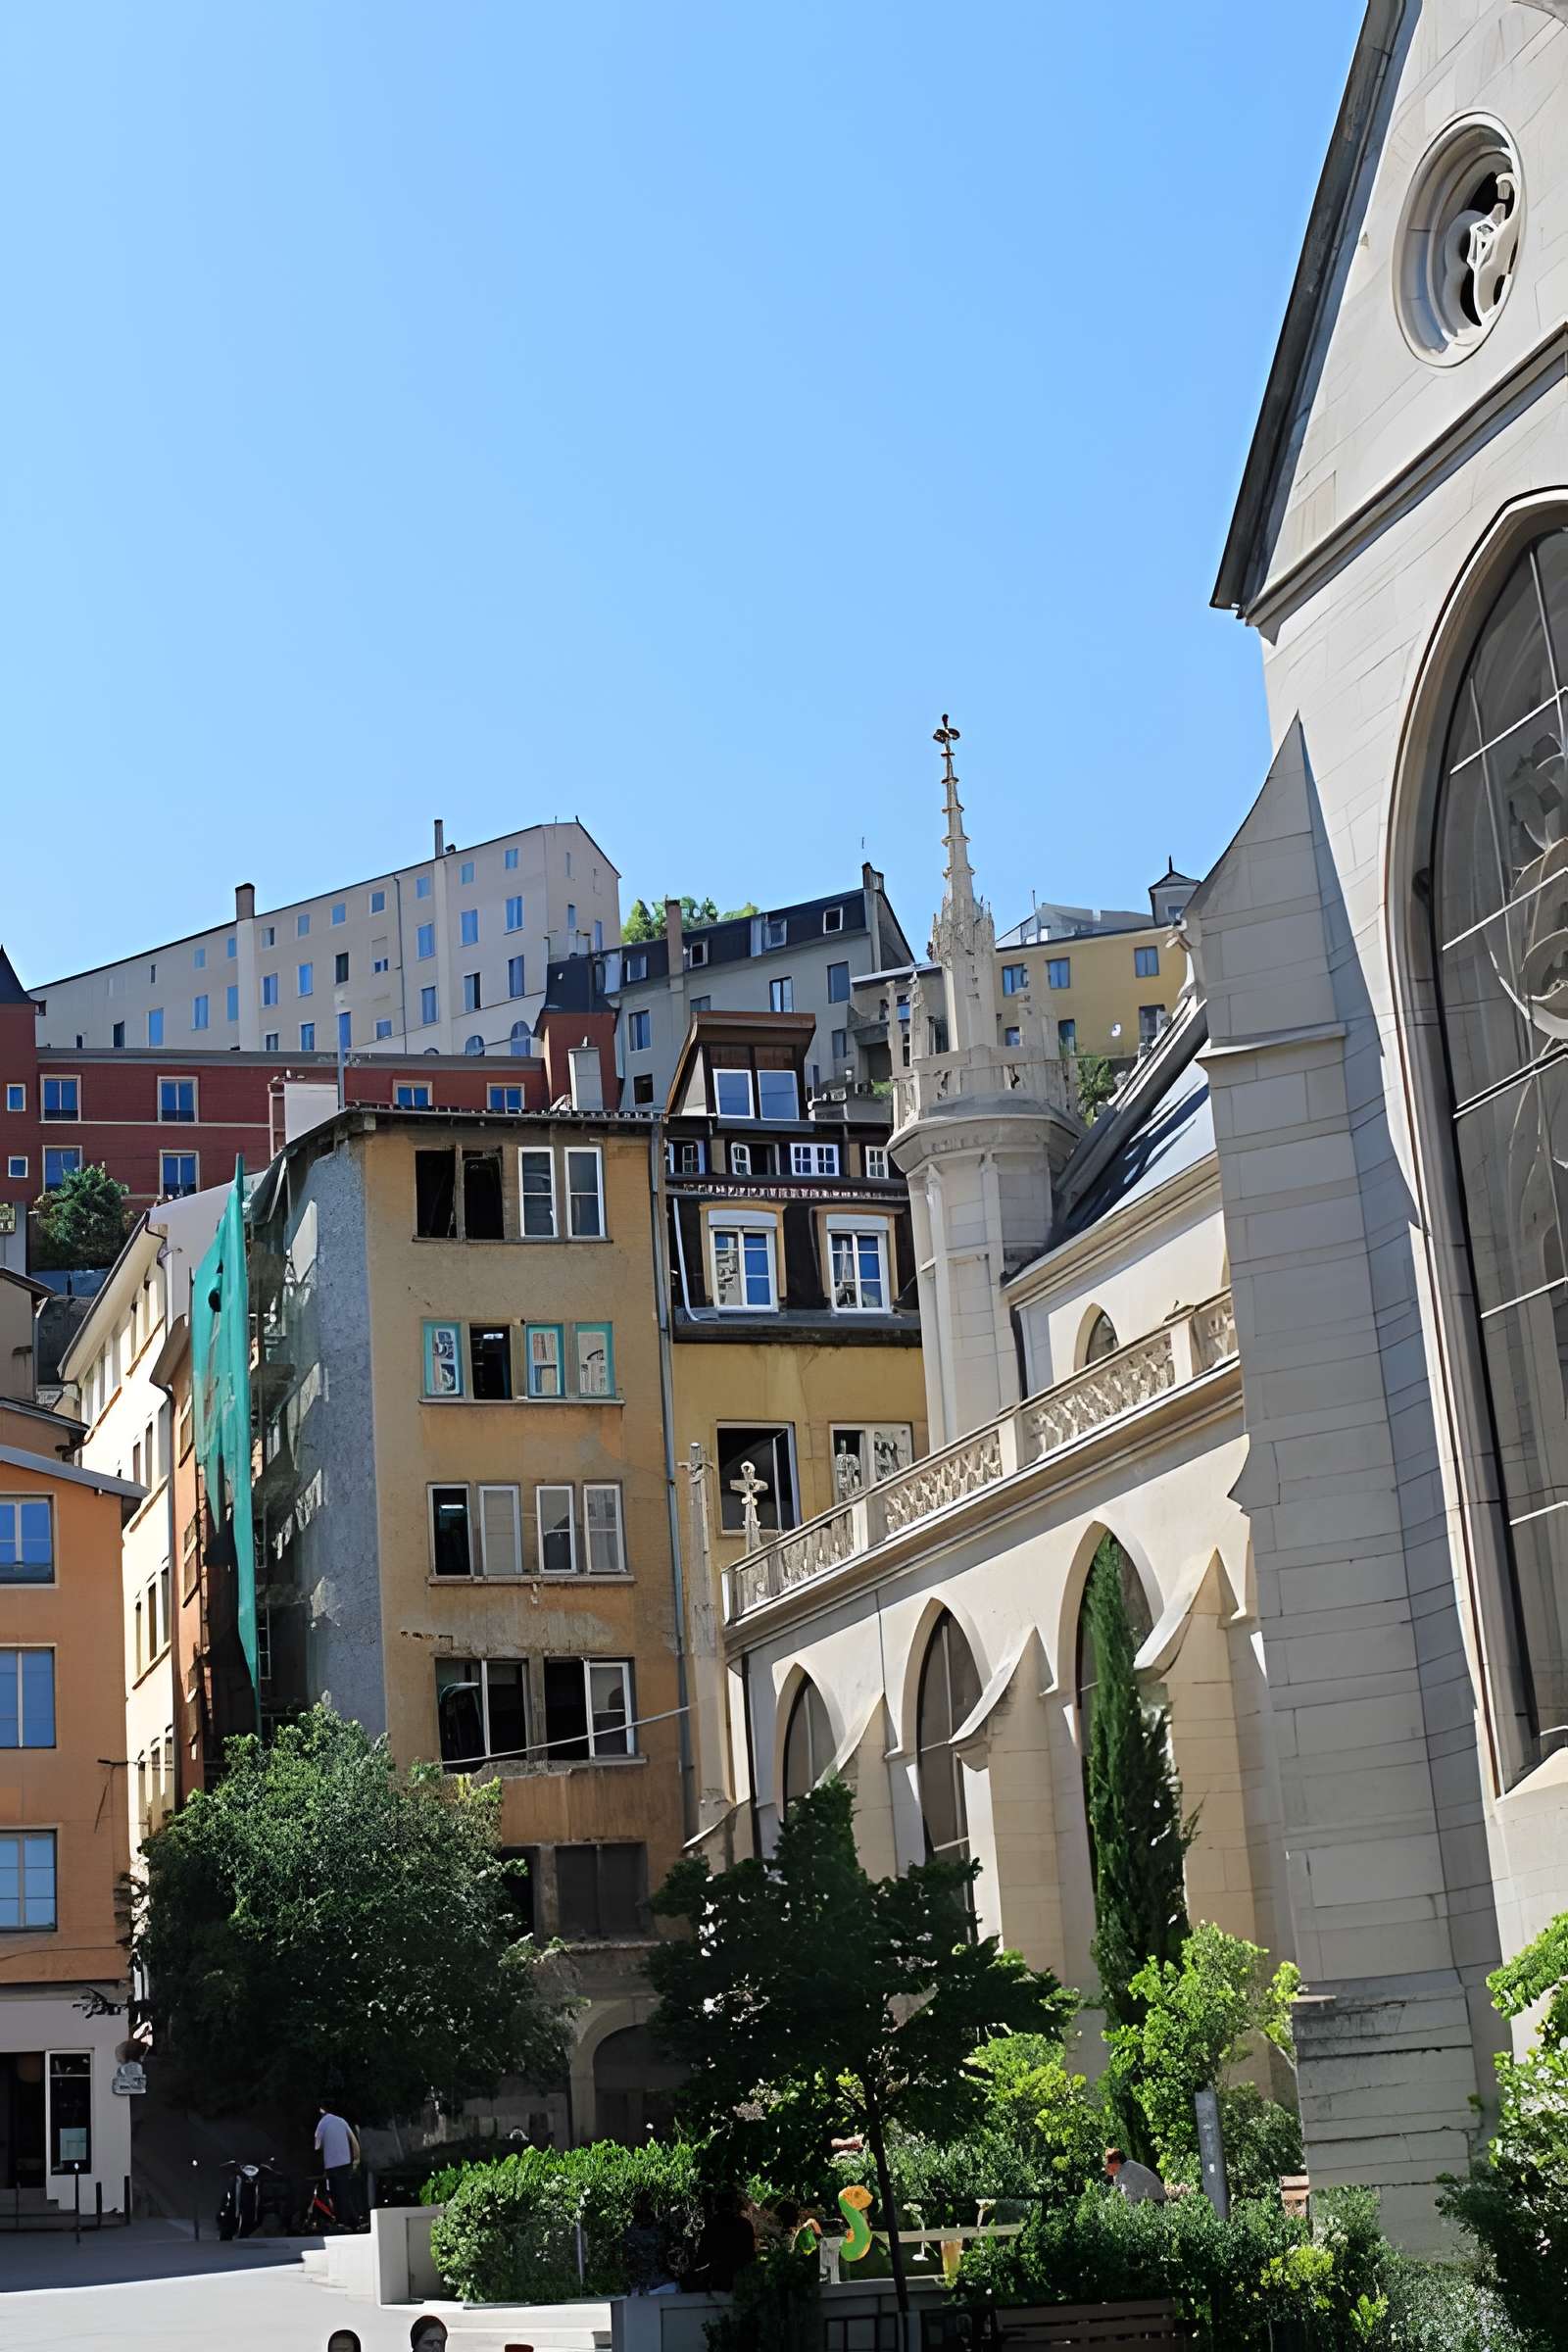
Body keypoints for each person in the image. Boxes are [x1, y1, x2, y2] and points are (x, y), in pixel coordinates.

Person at [314, 2103, 362, 2229]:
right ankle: (351, 2221)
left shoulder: (322, 2124)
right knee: (344, 2194)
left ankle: (345, 2221)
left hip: (331, 2165)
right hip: (345, 2163)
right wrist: (355, 2160)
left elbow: (317, 2146)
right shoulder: (341, 2121)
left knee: (336, 2194)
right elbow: (353, 2140)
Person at [1103, 2145, 1167, 2205]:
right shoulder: (1129, 2165)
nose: (1107, 2170)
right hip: (1158, 2198)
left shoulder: (1125, 2171)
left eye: (1109, 2167)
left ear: (1117, 2162)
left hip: (1156, 2201)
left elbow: (1127, 2197)